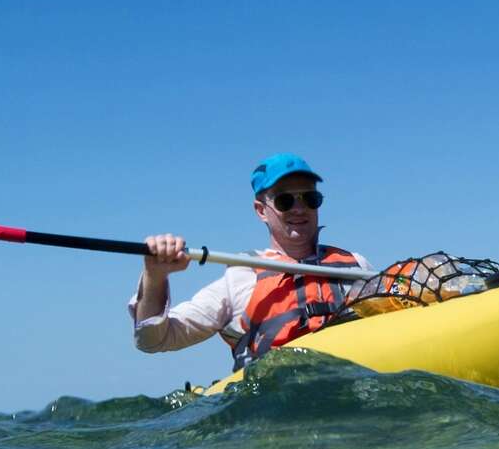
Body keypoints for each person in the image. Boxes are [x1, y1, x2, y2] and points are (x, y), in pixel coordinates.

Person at [129, 153, 374, 369]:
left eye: (309, 198)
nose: (299, 209)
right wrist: (155, 276)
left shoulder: (356, 265)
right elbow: (153, 341)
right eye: (285, 201)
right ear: (260, 210)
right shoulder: (238, 279)